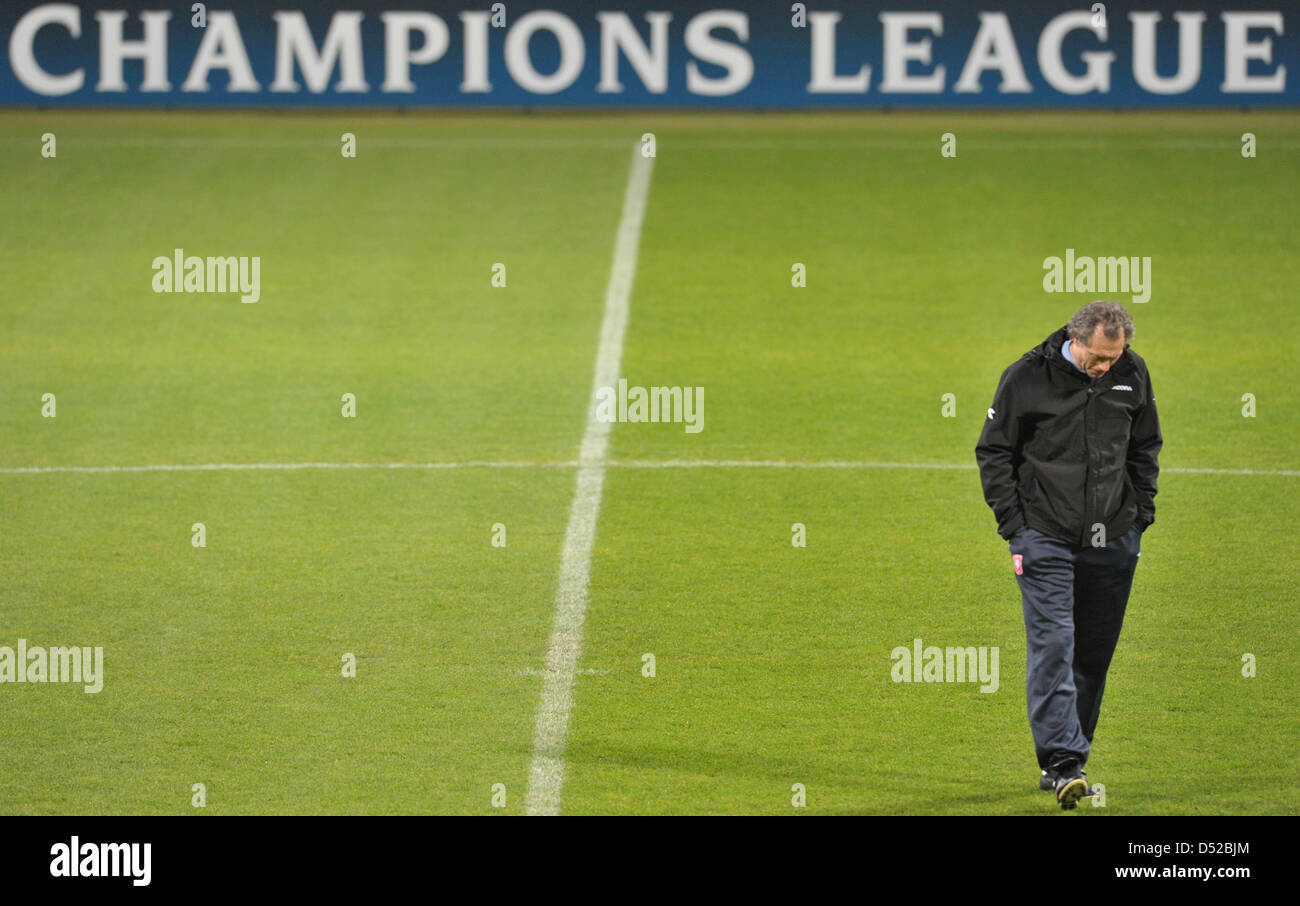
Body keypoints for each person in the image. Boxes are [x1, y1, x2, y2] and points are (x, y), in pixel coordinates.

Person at [975, 301, 1162, 810]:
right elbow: (994, 451)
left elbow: (1145, 446)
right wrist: (1015, 526)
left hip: (1114, 536)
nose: (1107, 367)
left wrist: (1140, 514)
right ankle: (1065, 764)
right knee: (1054, 641)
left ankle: (1061, 758)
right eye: (1098, 358)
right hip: (1045, 536)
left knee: (1093, 654)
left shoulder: (1133, 371)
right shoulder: (1026, 377)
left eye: (1114, 357)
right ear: (1074, 339)